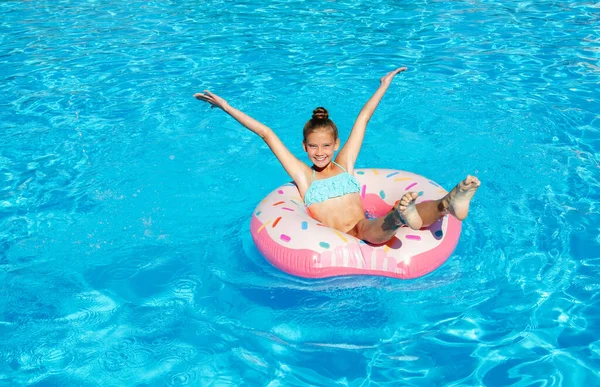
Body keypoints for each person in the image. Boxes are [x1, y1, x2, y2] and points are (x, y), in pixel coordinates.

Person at [194, 67, 480, 245]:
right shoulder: (303, 176)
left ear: (335, 145)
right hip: (352, 234)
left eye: (326, 147)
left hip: (366, 224)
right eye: (313, 147)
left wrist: (383, 86)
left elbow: (364, 118)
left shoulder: (345, 165)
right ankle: (400, 216)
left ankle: (448, 202)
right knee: (377, 223)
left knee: (388, 218)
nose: (320, 153)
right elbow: (267, 133)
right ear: (304, 148)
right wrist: (226, 107)